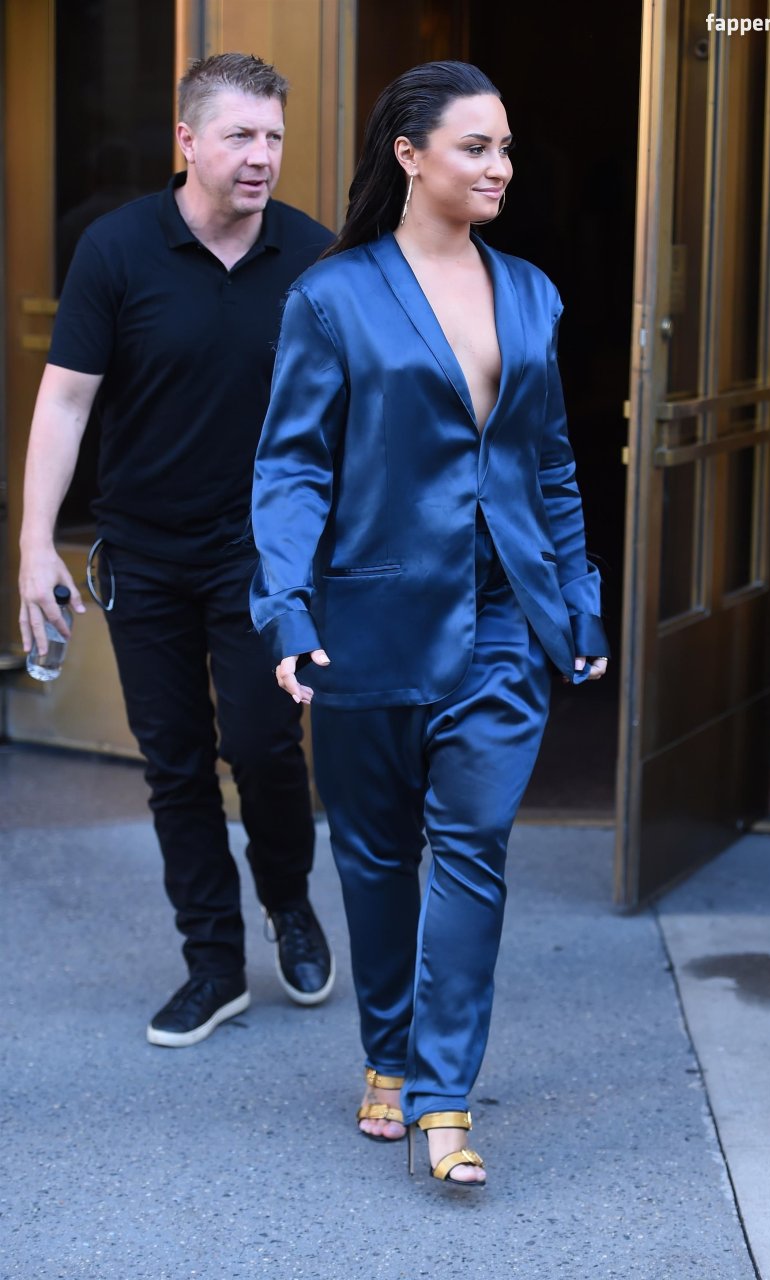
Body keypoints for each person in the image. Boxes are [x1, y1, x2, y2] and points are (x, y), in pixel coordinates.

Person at [250, 60, 609, 1186]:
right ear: (409, 155)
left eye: (506, 148)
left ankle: (444, 1094)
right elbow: (292, 466)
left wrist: (579, 597)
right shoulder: (333, 296)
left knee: (472, 847)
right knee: (372, 856)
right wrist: (285, 607)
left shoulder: (532, 294)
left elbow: (551, 463)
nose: (501, 167)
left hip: (504, 619)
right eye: (475, 147)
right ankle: (389, 1051)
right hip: (371, 616)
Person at [18, 53, 336, 1049]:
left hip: (264, 558)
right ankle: (212, 963)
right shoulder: (116, 249)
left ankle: (286, 899)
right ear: (188, 140)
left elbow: (352, 414)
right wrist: (34, 544)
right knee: (175, 763)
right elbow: (66, 402)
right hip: (146, 554)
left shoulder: (313, 257)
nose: (261, 155)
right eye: (240, 136)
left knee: (265, 747)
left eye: (273, 136)